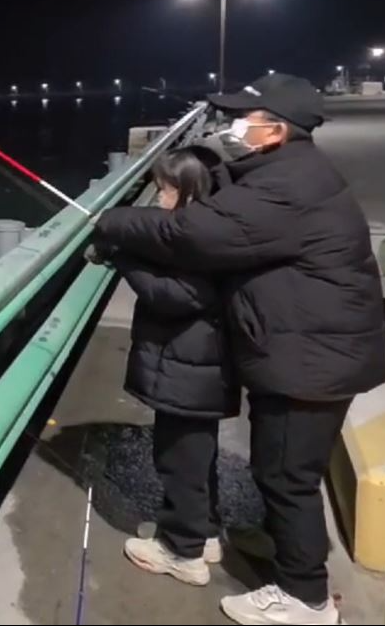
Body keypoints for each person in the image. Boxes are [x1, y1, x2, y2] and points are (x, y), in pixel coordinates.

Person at [94, 73, 385, 625]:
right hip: (311, 346)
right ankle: (281, 551)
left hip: (312, 357)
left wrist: (111, 221)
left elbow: (190, 233)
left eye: (242, 120)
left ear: (274, 132)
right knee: (283, 469)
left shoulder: (283, 186)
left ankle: (305, 599)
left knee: (286, 476)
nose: (232, 128)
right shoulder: (288, 170)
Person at [90, 147, 240, 587]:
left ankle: (181, 552)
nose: (159, 199)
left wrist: (121, 257)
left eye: (166, 190)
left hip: (189, 368)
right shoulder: (216, 227)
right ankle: (203, 534)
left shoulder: (203, 243)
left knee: (179, 458)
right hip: (202, 367)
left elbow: (173, 295)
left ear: (191, 190)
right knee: (197, 455)